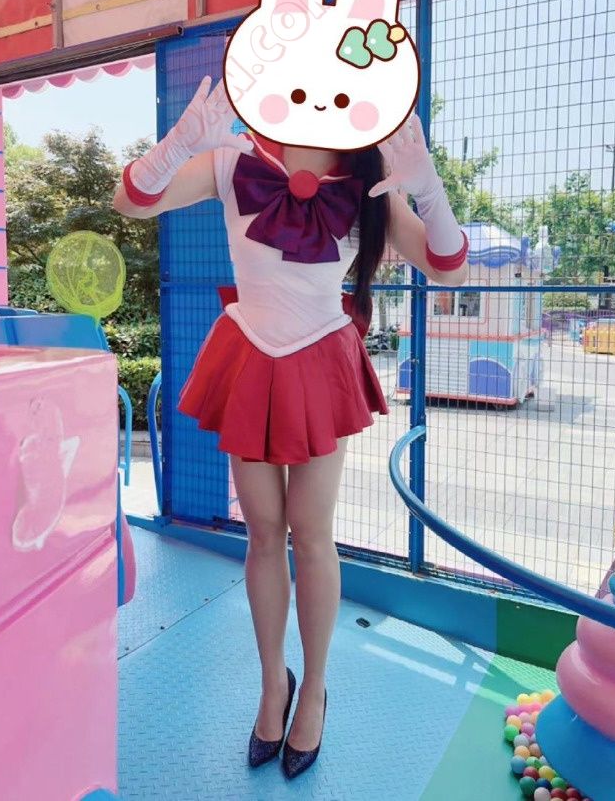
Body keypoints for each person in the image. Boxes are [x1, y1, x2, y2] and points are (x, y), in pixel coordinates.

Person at [113, 75, 468, 779]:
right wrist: (180, 143)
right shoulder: (234, 156)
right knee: (263, 532)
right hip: (252, 352)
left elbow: (447, 265)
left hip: (320, 359)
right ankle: (274, 681)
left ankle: (315, 688)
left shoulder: (368, 174)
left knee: (311, 534)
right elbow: (131, 201)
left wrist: (428, 186)